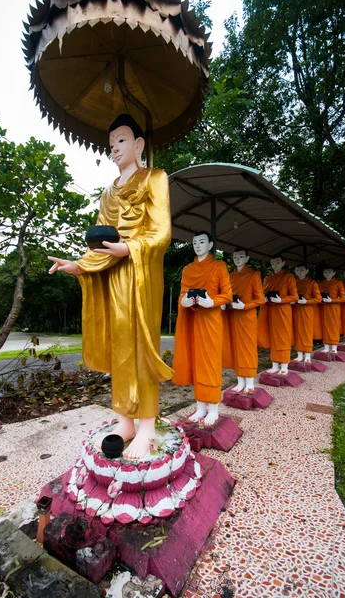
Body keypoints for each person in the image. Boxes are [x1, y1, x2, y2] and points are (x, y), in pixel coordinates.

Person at [48, 114, 173, 460]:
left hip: (141, 272)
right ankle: (125, 420)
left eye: (121, 140)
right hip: (113, 274)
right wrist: (78, 265)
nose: (114, 148)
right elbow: (99, 243)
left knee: (140, 345)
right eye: (111, 143)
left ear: (138, 145)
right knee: (121, 346)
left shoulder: (155, 178)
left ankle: (146, 426)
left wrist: (129, 248)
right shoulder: (108, 192)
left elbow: (161, 233)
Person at [172, 232, 232, 426]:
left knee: (211, 362)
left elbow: (228, 295)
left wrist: (212, 301)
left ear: (210, 244)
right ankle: (200, 408)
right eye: (195, 242)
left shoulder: (219, 266)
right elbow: (182, 294)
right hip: (194, 320)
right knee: (197, 362)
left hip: (212, 320)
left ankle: (213, 407)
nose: (198, 245)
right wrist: (185, 300)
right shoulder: (188, 269)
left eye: (202, 242)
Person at [222, 247, 264, 394]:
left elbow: (260, 299)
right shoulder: (230, 276)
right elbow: (226, 295)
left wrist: (245, 305)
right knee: (236, 348)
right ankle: (240, 381)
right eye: (235, 256)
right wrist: (224, 304)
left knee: (248, 348)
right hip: (233, 316)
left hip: (247, 318)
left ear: (247, 258)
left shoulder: (254, 275)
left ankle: (250, 382)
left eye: (241, 256)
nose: (238, 258)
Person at [258, 255, 298, 375]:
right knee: (272, 337)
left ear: (283, 263)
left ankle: (284, 365)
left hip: (283, 311)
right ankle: (275, 365)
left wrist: (280, 300)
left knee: (283, 337)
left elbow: (294, 297)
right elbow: (262, 292)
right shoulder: (268, 278)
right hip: (270, 311)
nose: (275, 264)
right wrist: (264, 298)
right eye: (273, 262)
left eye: (278, 262)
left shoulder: (288, 277)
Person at [292, 264, 322, 362]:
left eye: (301, 269)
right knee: (297, 331)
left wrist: (307, 301)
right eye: (297, 270)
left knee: (307, 331)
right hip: (296, 309)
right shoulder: (293, 282)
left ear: (306, 271)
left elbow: (318, 298)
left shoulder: (312, 283)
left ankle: (308, 354)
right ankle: (300, 354)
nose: (299, 272)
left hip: (307, 310)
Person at [318, 268, 345, 353]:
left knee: (334, 326)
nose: (327, 274)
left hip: (334, 308)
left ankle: (334, 347)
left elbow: (343, 298)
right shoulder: (320, 284)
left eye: (329, 272)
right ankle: (326, 347)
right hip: (324, 308)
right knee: (325, 326)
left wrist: (332, 300)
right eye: (325, 272)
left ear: (334, 273)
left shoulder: (338, 283)